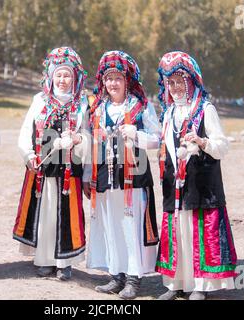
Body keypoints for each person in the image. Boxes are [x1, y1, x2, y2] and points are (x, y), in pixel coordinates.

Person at [155, 51, 238, 300]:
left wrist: (202, 141)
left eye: (179, 81)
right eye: (170, 82)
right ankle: (176, 283)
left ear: (190, 81)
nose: (175, 87)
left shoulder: (205, 109)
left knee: (199, 231)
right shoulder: (168, 113)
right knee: (177, 231)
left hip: (202, 184)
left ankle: (201, 285)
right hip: (176, 184)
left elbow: (223, 146)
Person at [85, 51, 160, 300]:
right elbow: (89, 143)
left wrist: (136, 134)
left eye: (117, 78)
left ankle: (133, 278)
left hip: (133, 178)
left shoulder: (141, 107)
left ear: (127, 80)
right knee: (111, 225)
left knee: (130, 225)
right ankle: (115, 275)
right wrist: (87, 174)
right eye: (108, 78)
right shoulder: (98, 108)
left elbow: (157, 139)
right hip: (105, 177)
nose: (112, 83)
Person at [13, 47, 89, 281]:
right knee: (45, 213)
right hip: (42, 169)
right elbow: (26, 131)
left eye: (67, 75)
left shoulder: (82, 103)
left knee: (65, 215)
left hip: (69, 170)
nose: (63, 80)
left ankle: (64, 262)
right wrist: (28, 156)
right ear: (51, 76)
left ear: (74, 77)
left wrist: (78, 139)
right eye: (59, 75)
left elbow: (89, 136)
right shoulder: (40, 100)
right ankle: (44, 259)